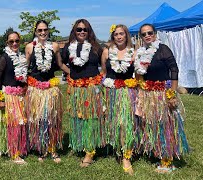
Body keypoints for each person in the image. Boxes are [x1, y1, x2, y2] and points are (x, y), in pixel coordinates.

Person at [134, 23, 189, 173]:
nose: (147, 36)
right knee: (151, 124)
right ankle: (157, 152)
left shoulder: (163, 49)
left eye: (149, 32)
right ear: (141, 37)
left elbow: (174, 70)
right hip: (148, 95)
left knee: (165, 125)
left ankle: (167, 160)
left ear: (155, 33)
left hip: (162, 94)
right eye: (144, 34)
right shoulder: (140, 52)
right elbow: (139, 74)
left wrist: (171, 94)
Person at [25, 20, 69, 163]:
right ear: (35, 32)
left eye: (45, 30)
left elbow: (60, 64)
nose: (43, 33)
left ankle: (53, 149)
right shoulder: (29, 47)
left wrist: (74, 75)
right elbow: (24, 67)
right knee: (38, 120)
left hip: (51, 88)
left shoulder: (55, 46)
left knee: (52, 118)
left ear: (48, 31)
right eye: (40, 30)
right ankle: (42, 149)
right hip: (35, 88)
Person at [61, 19, 104, 167]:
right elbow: (60, 63)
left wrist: (98, 80)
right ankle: (82, 144)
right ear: (74, 31)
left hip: (91, 89)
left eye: (85, 29)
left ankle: (90, 151)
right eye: (79, 29)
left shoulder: (96, 47)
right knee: (77, 117)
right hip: (75, 89)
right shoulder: (68, 47)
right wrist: (71, 73)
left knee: (91, 118)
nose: (82, 32)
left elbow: (104, 67)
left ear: (89, 31)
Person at [101, 24, 136, 175]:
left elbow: (139, 74)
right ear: (113, 37)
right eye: (116, 34)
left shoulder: (133, 52)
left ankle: (126, 156)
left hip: (127, 93)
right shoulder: (107, 51)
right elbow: (103, 71)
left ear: (126, 35)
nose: (119, 37)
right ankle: (115, 148)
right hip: (110, 92)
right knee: (113, 123)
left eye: (122, 34)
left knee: (125, 123)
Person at [0, 31, 29, 164]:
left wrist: (25, 87)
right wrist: (0, 99)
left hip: (20, 96)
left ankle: (19, 148)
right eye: (11, 41)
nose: (14, 43)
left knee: (20, 123)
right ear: (7, 43)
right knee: (12, 125)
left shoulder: (21, 57)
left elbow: (24, 76)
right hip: (8, 96)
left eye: (17, 41)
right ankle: (14, 152)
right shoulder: (4, 58)